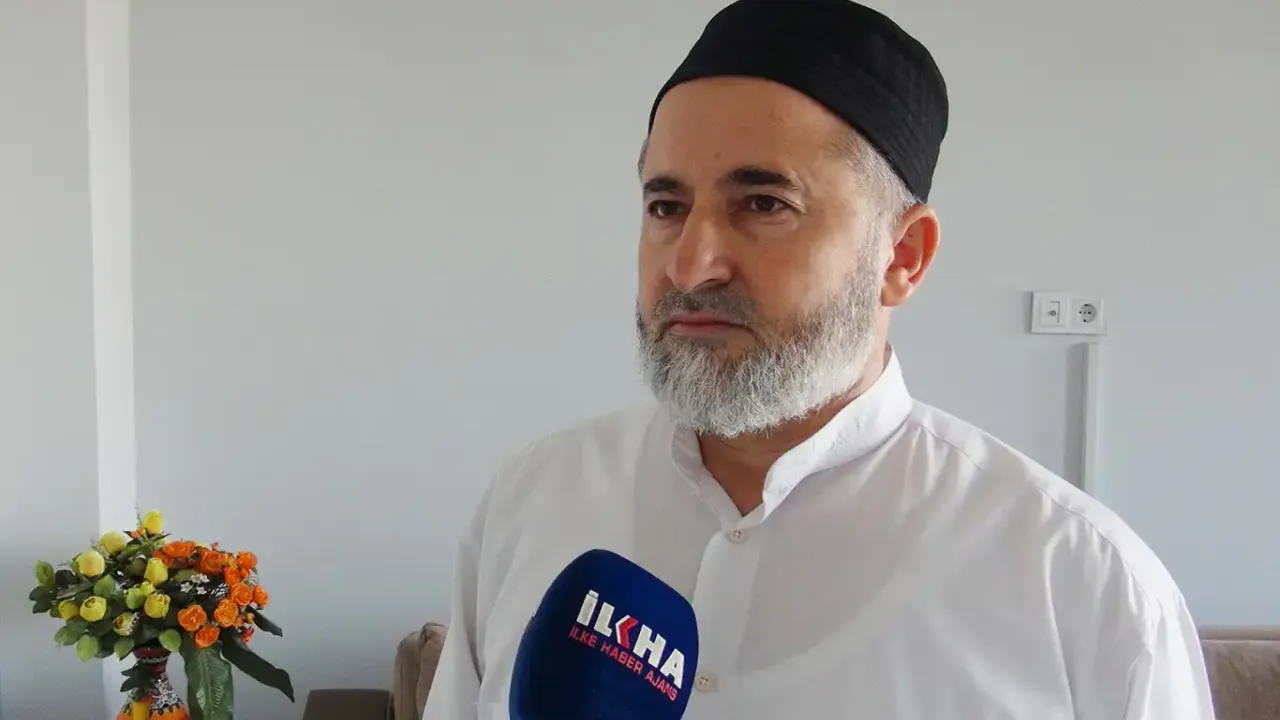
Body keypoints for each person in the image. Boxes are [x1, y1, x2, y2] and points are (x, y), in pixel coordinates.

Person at [423, 1, 1216, 718]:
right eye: (667, 206)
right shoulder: (533, 500)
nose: (692, 264)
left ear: (902, 256)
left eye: (764, 204)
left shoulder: (1081, 588)